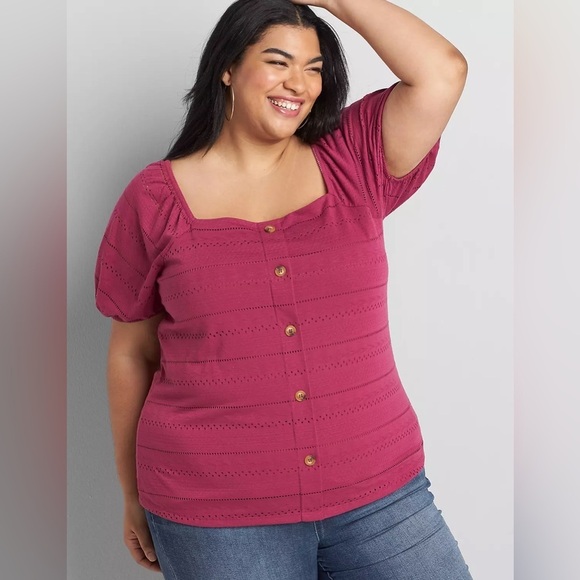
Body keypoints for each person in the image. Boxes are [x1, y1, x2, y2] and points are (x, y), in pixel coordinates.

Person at [94, 0, 469, 577]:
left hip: (381, 495)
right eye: (278, 61)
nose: (299, 83)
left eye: (314, 68)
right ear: (228, 67)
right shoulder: (154, 200)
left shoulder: (353, 160)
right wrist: (132, 495)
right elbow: (131, 353)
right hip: (217, 515)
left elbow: (442, 71)